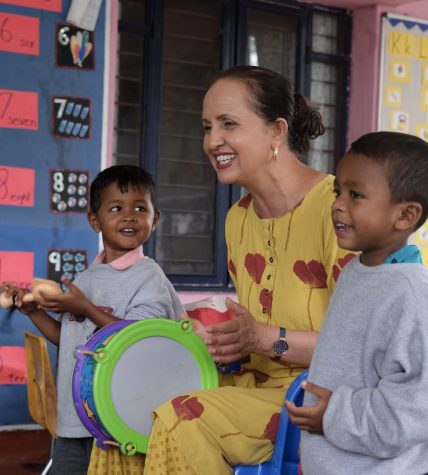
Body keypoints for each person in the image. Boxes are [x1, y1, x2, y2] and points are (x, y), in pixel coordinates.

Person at [87, 66, 354, 475]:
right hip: (249, 385)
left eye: (228, 123)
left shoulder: (337, 210)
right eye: (207, 127)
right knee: (123, 413)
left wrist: (266, 340)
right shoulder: (239, 218)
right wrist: (224, 341)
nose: (212, 141)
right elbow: (254, 334)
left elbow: (358, 349)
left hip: (318, 398)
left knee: (181, 418)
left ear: (277, 131)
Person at [286, 131, 428, 474]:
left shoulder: (412, 295)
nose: (338, 204)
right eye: (338, 191)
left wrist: (335, 416)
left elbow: (423, 407)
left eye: (356, 195)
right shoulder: (355, 272)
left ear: (406, 216)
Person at [4, 165, 185, 475]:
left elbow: (142, 340)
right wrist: (34, 312)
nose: (129, 216)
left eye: (140, 208)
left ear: (154, 219)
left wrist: (86, 308)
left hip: (120, 421)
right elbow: (70, 339)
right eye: (116, 208)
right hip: (75, 418)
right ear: (94, 220)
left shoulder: (149, 277)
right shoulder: (87, 278)